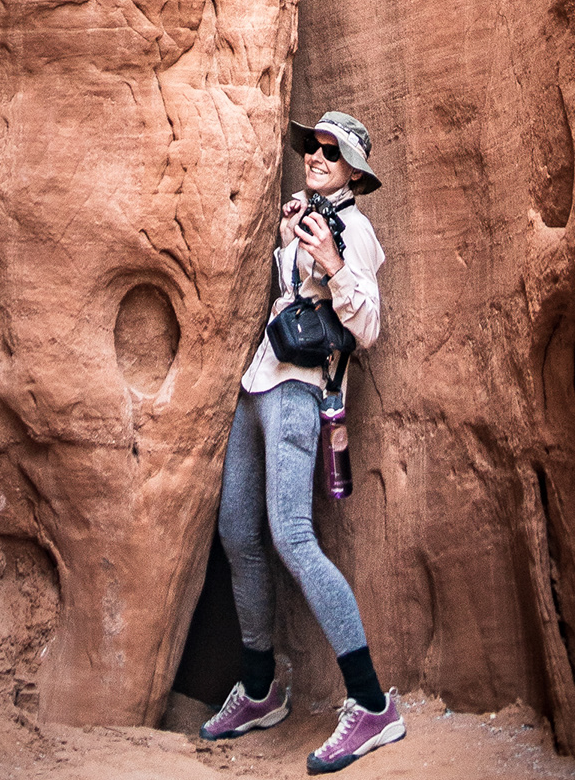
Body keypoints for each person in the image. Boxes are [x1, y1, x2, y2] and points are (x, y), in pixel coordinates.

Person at [199, 110, 406, 771]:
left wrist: (332, 261)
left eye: (330, 151)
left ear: (353, 170)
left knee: (291, 535)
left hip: (299, 392)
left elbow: (368, 326)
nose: (316, 157)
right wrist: (292, 242)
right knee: (238, 529)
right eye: (313, 147)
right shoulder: (302, 215)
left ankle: (373, 705)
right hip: (257, 384)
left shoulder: (359, 233)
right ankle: (261, 689)